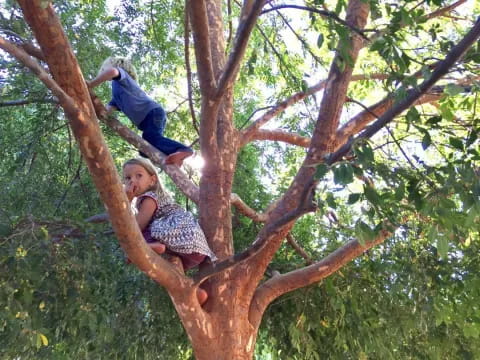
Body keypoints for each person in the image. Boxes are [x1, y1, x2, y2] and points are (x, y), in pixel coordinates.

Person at [122, 157, 217, 305]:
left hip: (179, 235)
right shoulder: (154, 199)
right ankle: (196, 292)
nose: (132, 181)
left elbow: (137, 227)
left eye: (138, 175)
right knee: (170, 268)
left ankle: (151, 245)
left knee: (135, 234)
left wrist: (126, 201)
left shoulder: (149, 198)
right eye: (128, 178)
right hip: (193, 249)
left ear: (152, 180)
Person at [87, 56, 193, 167]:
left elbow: (112, 71)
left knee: (151, 138)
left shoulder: (122, 77)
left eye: (104, 69)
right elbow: (106, 112)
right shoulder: (116, 95)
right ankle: (174, 157)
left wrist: (91, 84)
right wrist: (92, 111)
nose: (103, 71)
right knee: (144, 151)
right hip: (148, 120)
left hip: (152, 113)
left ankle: (183, 149)